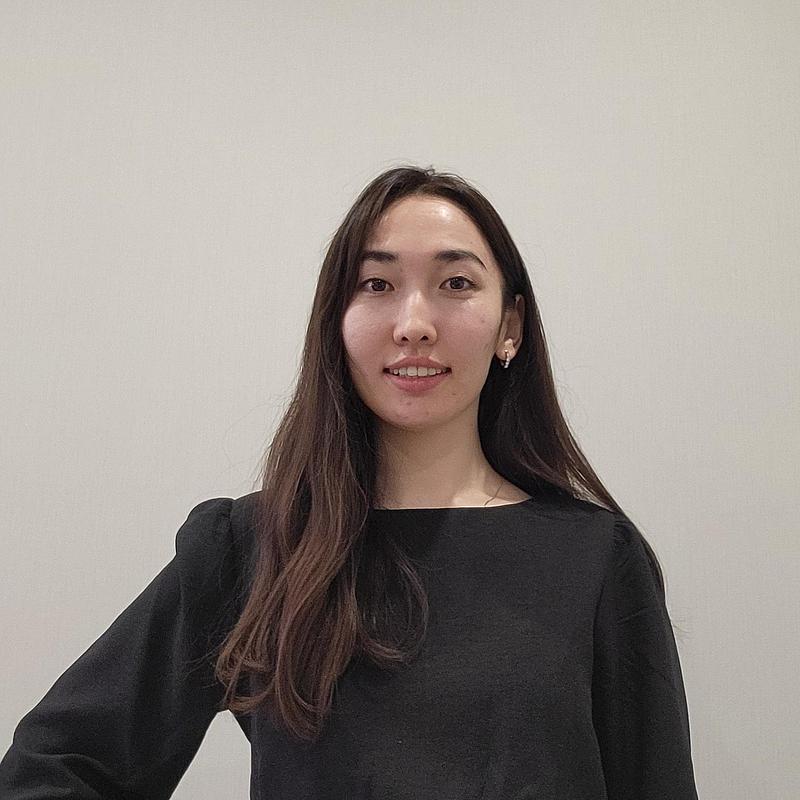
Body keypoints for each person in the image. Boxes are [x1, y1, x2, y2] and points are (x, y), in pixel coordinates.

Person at [0, 165, 700, 798]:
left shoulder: (598, 561)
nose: (414, 324)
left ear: (509, 326)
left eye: (456, 284)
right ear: (336, 321)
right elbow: (55, 767)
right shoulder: (254, 546)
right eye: (377, 285)